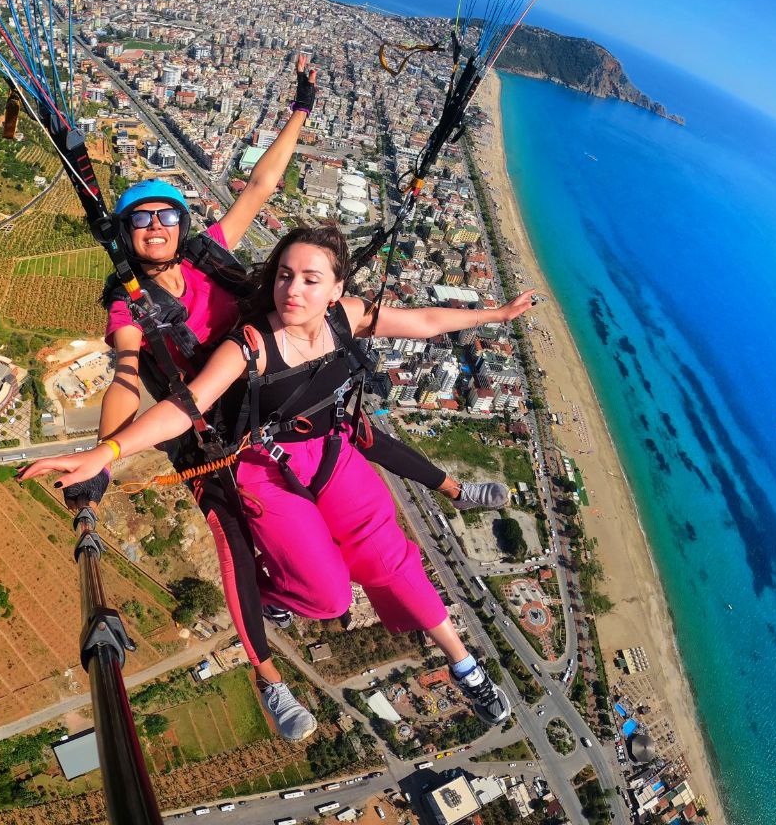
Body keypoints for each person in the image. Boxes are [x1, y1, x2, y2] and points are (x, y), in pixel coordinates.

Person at [91, 55, 506, 742]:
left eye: (168, 215)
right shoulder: (128, 305)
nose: (158, 227)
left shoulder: (211, 254)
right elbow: (127, 376)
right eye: (142, 221)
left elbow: (262, 183)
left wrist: (302, 107)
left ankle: (462, 654)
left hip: (286, 402)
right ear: (129, 235)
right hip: (220, 430)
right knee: (246, 541)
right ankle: (267, 674)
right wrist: (102, 455)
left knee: (376, 513)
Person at [22, 224, 538, 728]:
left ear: (336, 289)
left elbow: (422, 321)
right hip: (262, 466)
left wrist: (496, 313)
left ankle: (463, 663)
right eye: (285, 275)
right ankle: (274, 608)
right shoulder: (250, 343)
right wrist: (105, 453)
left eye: (311, 279)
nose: (293, 289)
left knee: (390, 554)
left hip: (328, 451)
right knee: (330, 596)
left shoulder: (347, 317)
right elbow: (187, 406)